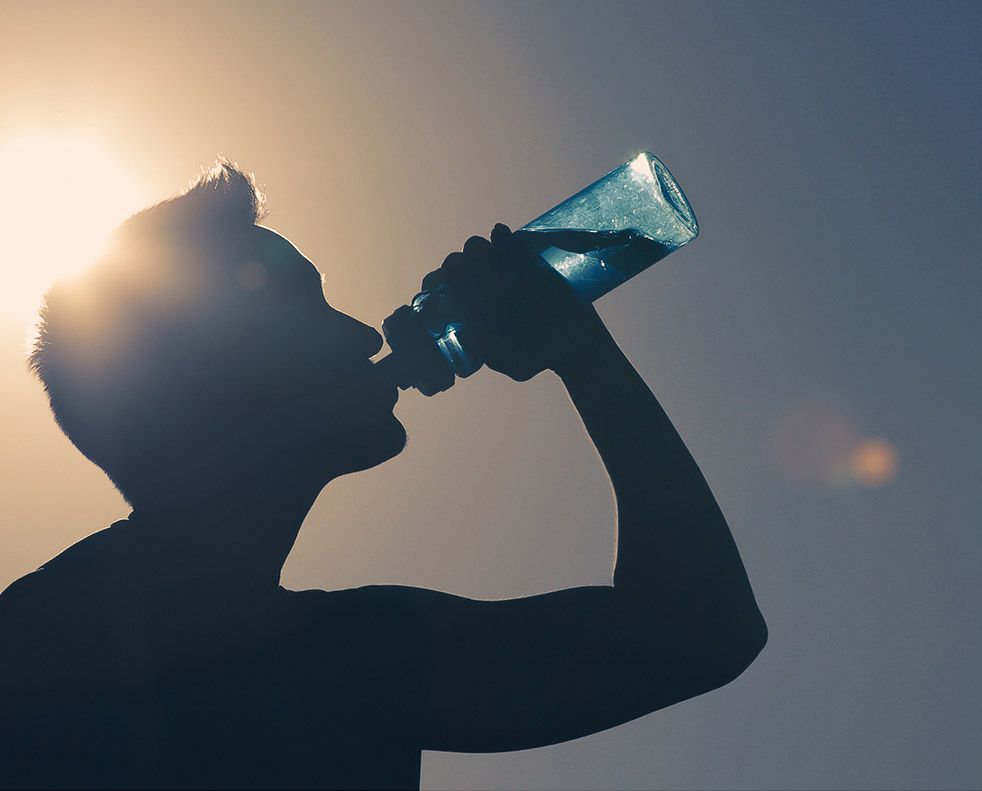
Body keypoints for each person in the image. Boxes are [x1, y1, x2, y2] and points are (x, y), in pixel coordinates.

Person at [0, 162, 766, 790]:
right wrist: (581, 355)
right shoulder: (332, 663)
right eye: (308, 308)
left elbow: (699, 632)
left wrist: (579, 346)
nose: (365, 332)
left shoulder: (344, 655)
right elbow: (696, 629)